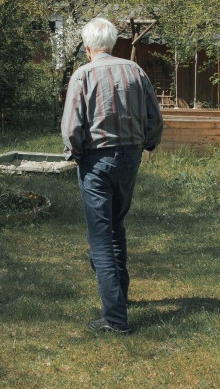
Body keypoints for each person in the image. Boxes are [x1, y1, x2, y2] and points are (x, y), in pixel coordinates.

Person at [61, 17, 163, 334]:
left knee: (101, 238)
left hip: (96, 159)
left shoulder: (83, 75)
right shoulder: (136, 71)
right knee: (116, 225)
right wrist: (147, 143)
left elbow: (72, 127)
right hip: (130, 157)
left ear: (87, 47)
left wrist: (75, 154)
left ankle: (116, 319)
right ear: (114, 43)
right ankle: (120, 298)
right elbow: (155, 118)